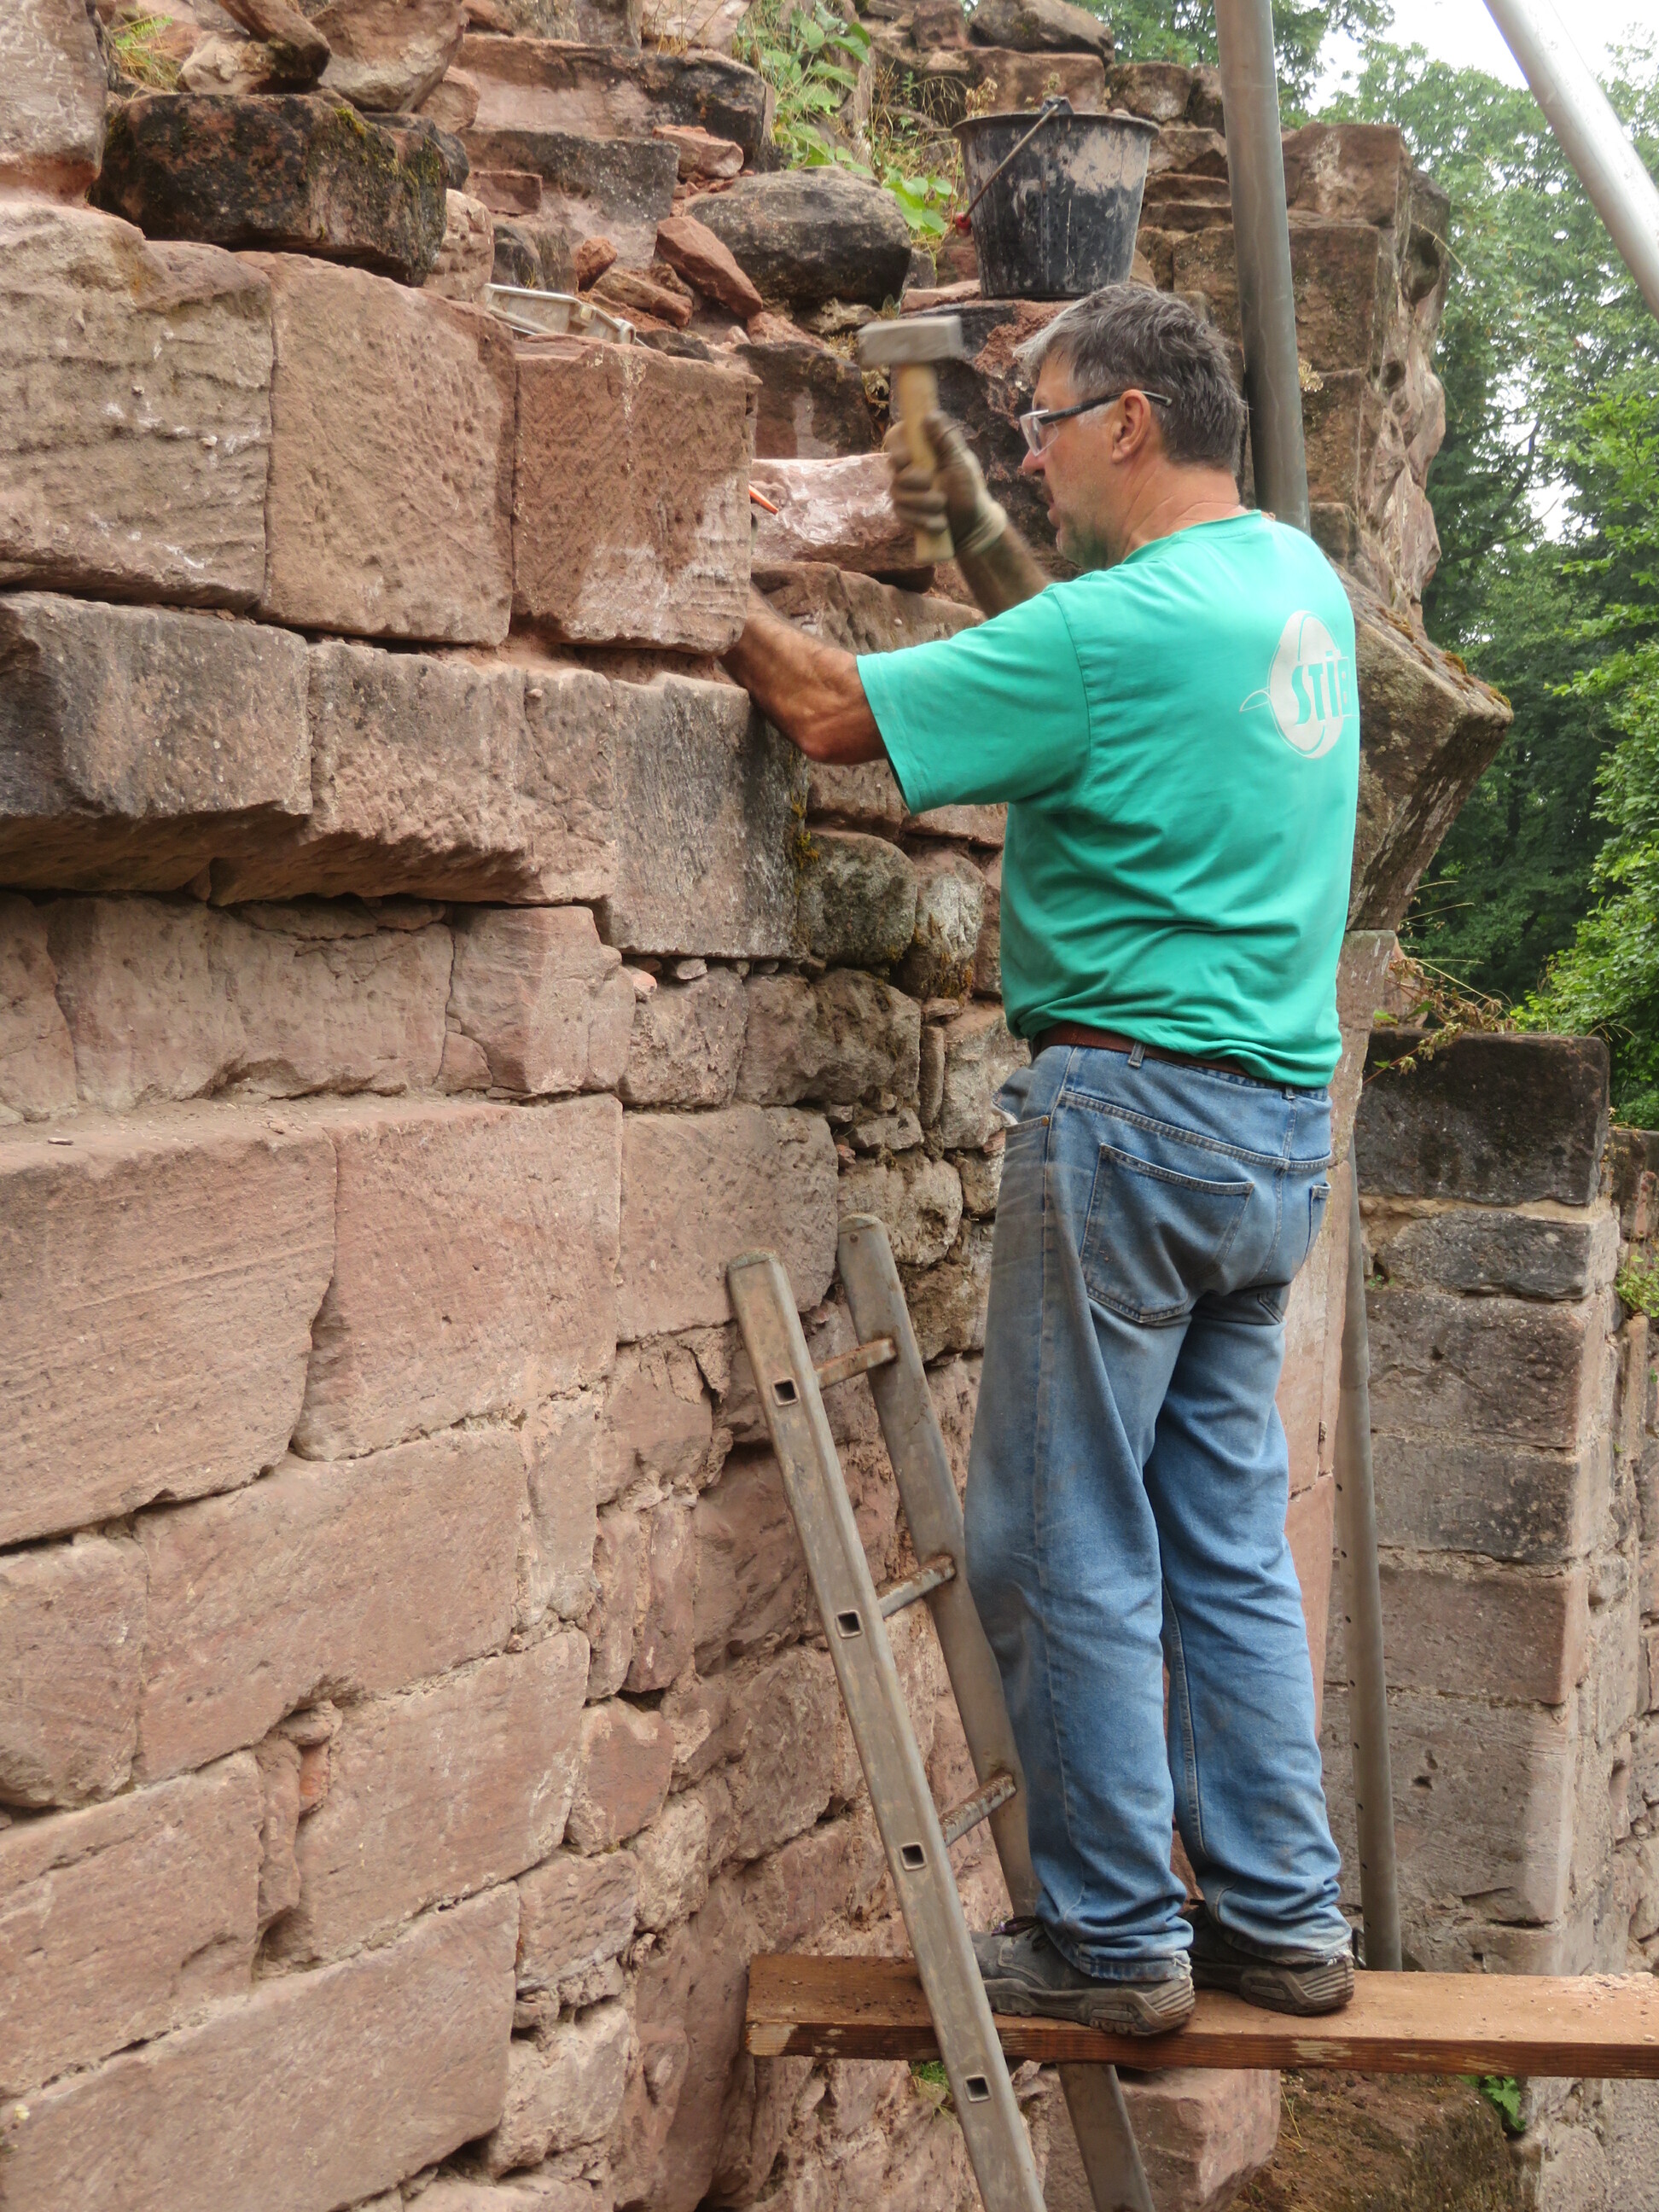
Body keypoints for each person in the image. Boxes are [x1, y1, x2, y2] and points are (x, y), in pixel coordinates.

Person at [721, 283, 1358, 2035]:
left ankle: (1115, 1942)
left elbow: (833, 713)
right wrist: (975, 529)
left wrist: (691, 577)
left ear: (1131, 423)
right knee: (1224, 1538)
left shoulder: (1123, 630)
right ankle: (1285, 1918)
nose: (1029, 459)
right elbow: (1077, 648)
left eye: (1045, 424)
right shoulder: (1293, 584)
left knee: (1056, 1533)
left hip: (1134, 1127)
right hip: (1273, 1137)